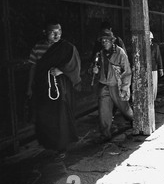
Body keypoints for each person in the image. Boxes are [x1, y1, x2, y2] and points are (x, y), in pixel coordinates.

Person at [26, 20, 81, 159]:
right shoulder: (38, 47)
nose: (57, 35)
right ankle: (49, 143)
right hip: (43, 87)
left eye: (59, 31)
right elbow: (33, 67)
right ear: (45, 32)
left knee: (60, 116)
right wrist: (29, 87)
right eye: (52, 32)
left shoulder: (66, 47)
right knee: (45, 116)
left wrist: (61, 70)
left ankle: (61, 147)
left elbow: (75, 65)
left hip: (60, 87)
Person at [91, 29, 133, 143]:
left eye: (107, 40)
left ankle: (133, 119)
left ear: (112, 41)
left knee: (124, 108)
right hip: (104, 85)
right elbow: (96, 67)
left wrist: (124, 88)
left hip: (116, 86)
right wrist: (95, 70)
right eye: (103, 40)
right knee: (104, 111)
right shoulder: (100, 53)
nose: (104, 42)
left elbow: (127, 71)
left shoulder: (120, 53)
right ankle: (105, 134)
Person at [149, 31, 164, 99]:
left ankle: (153, 99)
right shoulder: (142, 46)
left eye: (149, 38)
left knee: (154, 85)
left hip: (153, 69)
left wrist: (161, 69)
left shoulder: (155, 46)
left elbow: (158, 58)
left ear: (151, 39)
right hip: (145, 70)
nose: (148, 40)